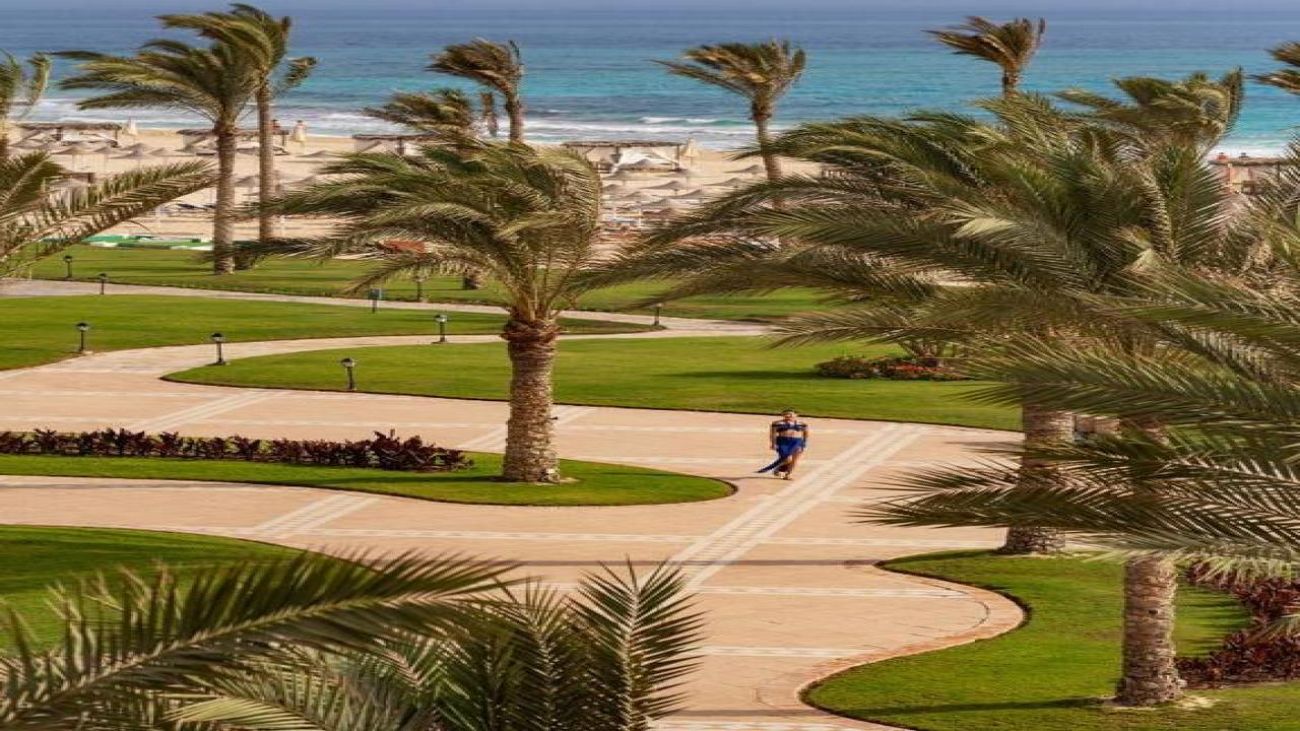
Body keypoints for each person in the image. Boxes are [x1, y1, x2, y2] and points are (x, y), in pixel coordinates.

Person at [757, 409, 809, 479]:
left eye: (790, 414)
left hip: (797, 442)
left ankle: (788, 475)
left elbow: (806, 434)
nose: (788, 415)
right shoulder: (777, 423)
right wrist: (773, 443)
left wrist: (804, 443)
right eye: (786, 414)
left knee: (795, 460)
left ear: (796, 415)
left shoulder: (802, 424)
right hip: (783, 442)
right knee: (787, 459)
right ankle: (777, 469)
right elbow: (773, 434)